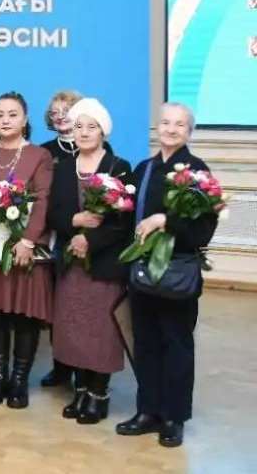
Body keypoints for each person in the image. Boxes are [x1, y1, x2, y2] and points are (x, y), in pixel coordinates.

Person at [116, 103, 219, 448]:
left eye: (179, 124)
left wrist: (165, 221)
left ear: (189, 131)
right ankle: (148, 411)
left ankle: (174, 417)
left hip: (177, 275)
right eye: (165, 122)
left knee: (177, 345)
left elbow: (202, 229)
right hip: (142, 274)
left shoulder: (199, 173)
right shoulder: (144, 169)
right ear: (156, 127)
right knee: (144, 343)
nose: (171, 129)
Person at [0, 92, 54, 410]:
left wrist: (29, 240)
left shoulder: (39, 155)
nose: (5, 120)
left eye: (12, 114)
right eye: (0, 114)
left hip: (23, 248)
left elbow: (43, 199)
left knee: (24, 316)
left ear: (25, 119)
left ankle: (19, 382)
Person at [48, 98, 132, 425]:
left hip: (104, 265)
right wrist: (75, 220)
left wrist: (90, 240)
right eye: (79, 126)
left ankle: (99, 394)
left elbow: (121, 220)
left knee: (101, 330)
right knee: (74, 328)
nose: (83, 132)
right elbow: (54, 212)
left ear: (103, 131)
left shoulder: (118, 166)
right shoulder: (64, 167)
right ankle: (81, 389)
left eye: (91, 127)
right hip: (71, 263)